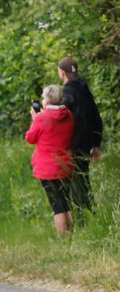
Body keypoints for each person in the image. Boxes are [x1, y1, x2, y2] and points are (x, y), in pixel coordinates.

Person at [25, 84, 75, 235]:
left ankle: (62, 240)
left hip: (48, 168)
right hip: (66, 164)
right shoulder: (69, 114)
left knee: (57, 206)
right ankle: (71, 236)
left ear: (46, 100)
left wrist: (35, 119)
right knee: (66, 202)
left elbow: (30, 138)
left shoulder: (41, 118)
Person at [58, 57, 103, 216]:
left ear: (62, 73)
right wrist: (96, 145)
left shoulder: (66, 94)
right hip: (86, 145)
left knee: (75, 186)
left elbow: (60, 121)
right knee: (83, 182)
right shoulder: (85, 91)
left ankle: (83, 219)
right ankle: (90, 216)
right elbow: (96, 118)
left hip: (72, 146)